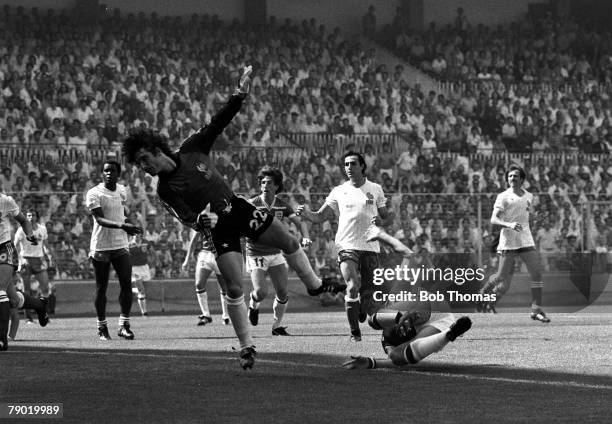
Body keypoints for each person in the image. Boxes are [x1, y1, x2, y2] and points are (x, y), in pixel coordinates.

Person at [122, 66, 345, 369]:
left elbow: (217, 123)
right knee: (236, 288)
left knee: (289, 241)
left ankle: (316, 286)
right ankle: (247, 346)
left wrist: (239, 95)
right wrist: (201, 222)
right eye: (138, 165)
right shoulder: (164, 189)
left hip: (237, 207)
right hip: (218, 228)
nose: (143, 167)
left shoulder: (190, 148)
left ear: (154, 149)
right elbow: (187, 218)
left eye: (143, 160)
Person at [342, 227, 472, 369]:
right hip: (440, 325)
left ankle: (404, 316)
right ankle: (449, 334)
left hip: (432, 306)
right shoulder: (387, 339)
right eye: (366, 303)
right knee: (397, 356)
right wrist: (371, 363)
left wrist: (382, 236)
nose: (370, 302)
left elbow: (408, 255)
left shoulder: (393, 295)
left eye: (370, 298)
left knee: (375, 320)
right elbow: (395, 361)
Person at [297, 151, 392, 342]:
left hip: (371, 246)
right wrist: (307, 214)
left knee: (369, 293)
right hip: (346, 245)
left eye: (353, 164)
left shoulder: (375, 188)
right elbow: (320, 216)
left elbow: (386, 217)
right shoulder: (339, 190)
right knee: (352, 285)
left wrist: (385, 221)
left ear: (362, 166)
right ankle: (355, 333)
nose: (348, 167)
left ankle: (361, 309)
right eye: (346, 164)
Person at [477, 165, 550, 322]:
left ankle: (536, 309)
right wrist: (509, 225)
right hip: (509, 239)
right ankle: (481, 294)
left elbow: (525, 216)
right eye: (510, 176)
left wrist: (536, 218)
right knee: (501, 277)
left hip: (525, 239)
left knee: (536, 273)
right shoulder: (503, 196)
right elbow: (494, 219)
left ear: (522, 179)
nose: (512, 179)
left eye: (515, 176)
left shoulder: (529, 196)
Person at [246, 166, 312, 336]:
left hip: (276, 253)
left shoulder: (282, 206)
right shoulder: (252, 204)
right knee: (261, 292)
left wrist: (305, 236)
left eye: (269, 182)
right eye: (262, 182)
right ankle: (253, 305)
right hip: (256, 253)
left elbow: (300, 222)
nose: (265, 185)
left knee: (282, 292)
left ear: (276, 186)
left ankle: (277, 326)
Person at [85, 160, 143, 341]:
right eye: (106, 171)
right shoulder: (94, 193)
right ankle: (102, 327)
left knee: (126, 283)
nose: (109, 173)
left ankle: (124, 325)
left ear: (118, 173)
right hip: (101, 247)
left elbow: (123, 211)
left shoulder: (122, 190)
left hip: (120, 245)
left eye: (112, 170)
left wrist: (130, 226)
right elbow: (100, 220)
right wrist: (123, 225)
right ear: (102, 173)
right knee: (101, 287)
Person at [0, 193, 49, 351]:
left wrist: (29, 235)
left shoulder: (5, 200)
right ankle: (39, 305)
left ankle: (2, 340)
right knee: (13, 300)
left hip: (3, 248)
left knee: (0, 291)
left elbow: (23, 221)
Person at [182, 227, 230, 326]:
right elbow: (194, 240)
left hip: (221, 253)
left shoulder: (224, 216)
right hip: (205, 254)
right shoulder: (201, 218)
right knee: (199, 284)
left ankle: (226, 315)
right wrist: (187, 259)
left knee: (224, 287)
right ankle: (206, 315)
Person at [14, 208, 52, 324]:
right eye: (28, 216)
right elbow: (15, 245)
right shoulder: (21, 230)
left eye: (33, 215)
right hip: (26, 260)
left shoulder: (42, 229)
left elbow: (45, 245)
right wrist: (19, 259)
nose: (30, 218)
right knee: (27, 290)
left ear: (37, 217)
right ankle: (28, 317)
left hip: (39, 260)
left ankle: (43, 313)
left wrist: (49, 257)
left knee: (45, 287)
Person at [128, 234, 150, 317]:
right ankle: (144, 312)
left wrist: (156, 260)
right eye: (135, 235)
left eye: (139, 235)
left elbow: (152, 251)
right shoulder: (129, 245)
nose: (137, 236)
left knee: (143, 289)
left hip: (145, 268)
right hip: (134, 269)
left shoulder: (146, 242)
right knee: (141, 290)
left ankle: (132, 290)